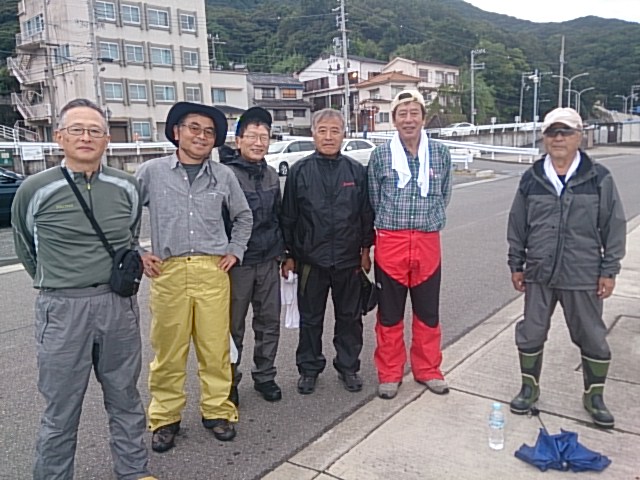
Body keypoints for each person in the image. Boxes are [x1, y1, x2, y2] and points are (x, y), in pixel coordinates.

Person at [11, 98, 155, 480]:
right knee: (60, 409)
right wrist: (58, 281)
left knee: (125, 397)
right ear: (59, 136)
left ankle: (134, 471)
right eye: (76, 129)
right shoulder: (35, 188)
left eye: (95, 130)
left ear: (107, 139)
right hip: (62, 308)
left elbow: (129, 238)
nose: (86, 137)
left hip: (117, 305)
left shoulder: (127, 186)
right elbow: (26, 246)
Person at [135, 102, 252, 452]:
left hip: (212, 270)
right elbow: (124, 215)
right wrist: (138, 253)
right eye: (194, 128)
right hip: (168, 271)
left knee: (215, 349)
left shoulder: (224, 176)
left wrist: (235, 250)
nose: (201, 136)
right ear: (177, 132)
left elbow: (243, 216)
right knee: (168, 352)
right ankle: (165, 418)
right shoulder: (151, 172)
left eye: (209, 132)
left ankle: (217, 411)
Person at [507, 107, 626, 429]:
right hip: (539, 271)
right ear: (544, 138)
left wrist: (609, 270)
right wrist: (516, 263)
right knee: (531, 333)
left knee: (592, 336)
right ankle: (529, 388)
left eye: (566, 132)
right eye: (552, 132)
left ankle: (594, 396)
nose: (558, 138)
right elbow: (518, 224)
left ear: (579, 136)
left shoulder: (598, 177)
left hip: (582, 271)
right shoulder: (532, 178)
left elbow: (613, 226)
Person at [281, 108, 374, 395]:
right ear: (313, 134)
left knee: (350, 318)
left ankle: (348, 366)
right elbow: (289, 216)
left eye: (335, 131)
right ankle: (309, 369)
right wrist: (288, 255)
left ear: (344, 134)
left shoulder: (356, 171)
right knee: (311, 319)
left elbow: (365, 214)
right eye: (322, 131)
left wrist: (366, 250)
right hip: (311, 260)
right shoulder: (299, 171)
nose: (329, 137)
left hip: (349, 260)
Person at [368, 90, 452, 400]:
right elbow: (373, 198)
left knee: (427, 312)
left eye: (414, 112)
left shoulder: (440, 153)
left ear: (423, 118)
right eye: (402, 114)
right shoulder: (381, 155)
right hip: (391, 242)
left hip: (427, 242)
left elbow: (445, 194)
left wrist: (427, 220)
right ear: (393, 120)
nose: (408, 119)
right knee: (389, 315)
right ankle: (390, 372)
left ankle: (428, 369)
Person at [220, 107, 285, 406]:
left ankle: (265, 375)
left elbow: (279, 216)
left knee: (269, 322)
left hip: (268, 259)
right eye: (252, 136)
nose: (259, 143)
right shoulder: (226, 175)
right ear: (238, 140)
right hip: (237, 265)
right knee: (232, 327)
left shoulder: (271, 174)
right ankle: (228, 381)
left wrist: (284, 254)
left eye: (264, 137)